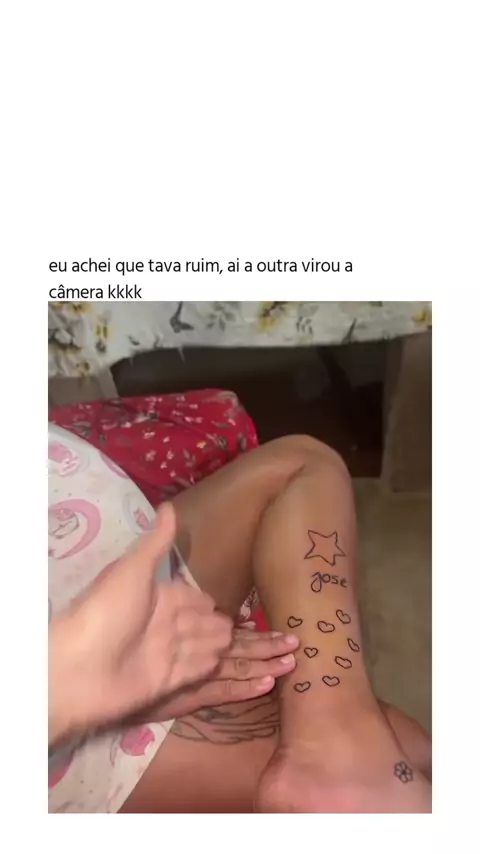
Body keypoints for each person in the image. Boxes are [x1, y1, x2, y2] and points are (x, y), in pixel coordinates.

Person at [48, 429, 432, 813]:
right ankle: (325, 756)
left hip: (72, 577)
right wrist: (66, 689)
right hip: (63, 720)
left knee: (301, 467)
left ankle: (331, 734)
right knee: (414, 751)